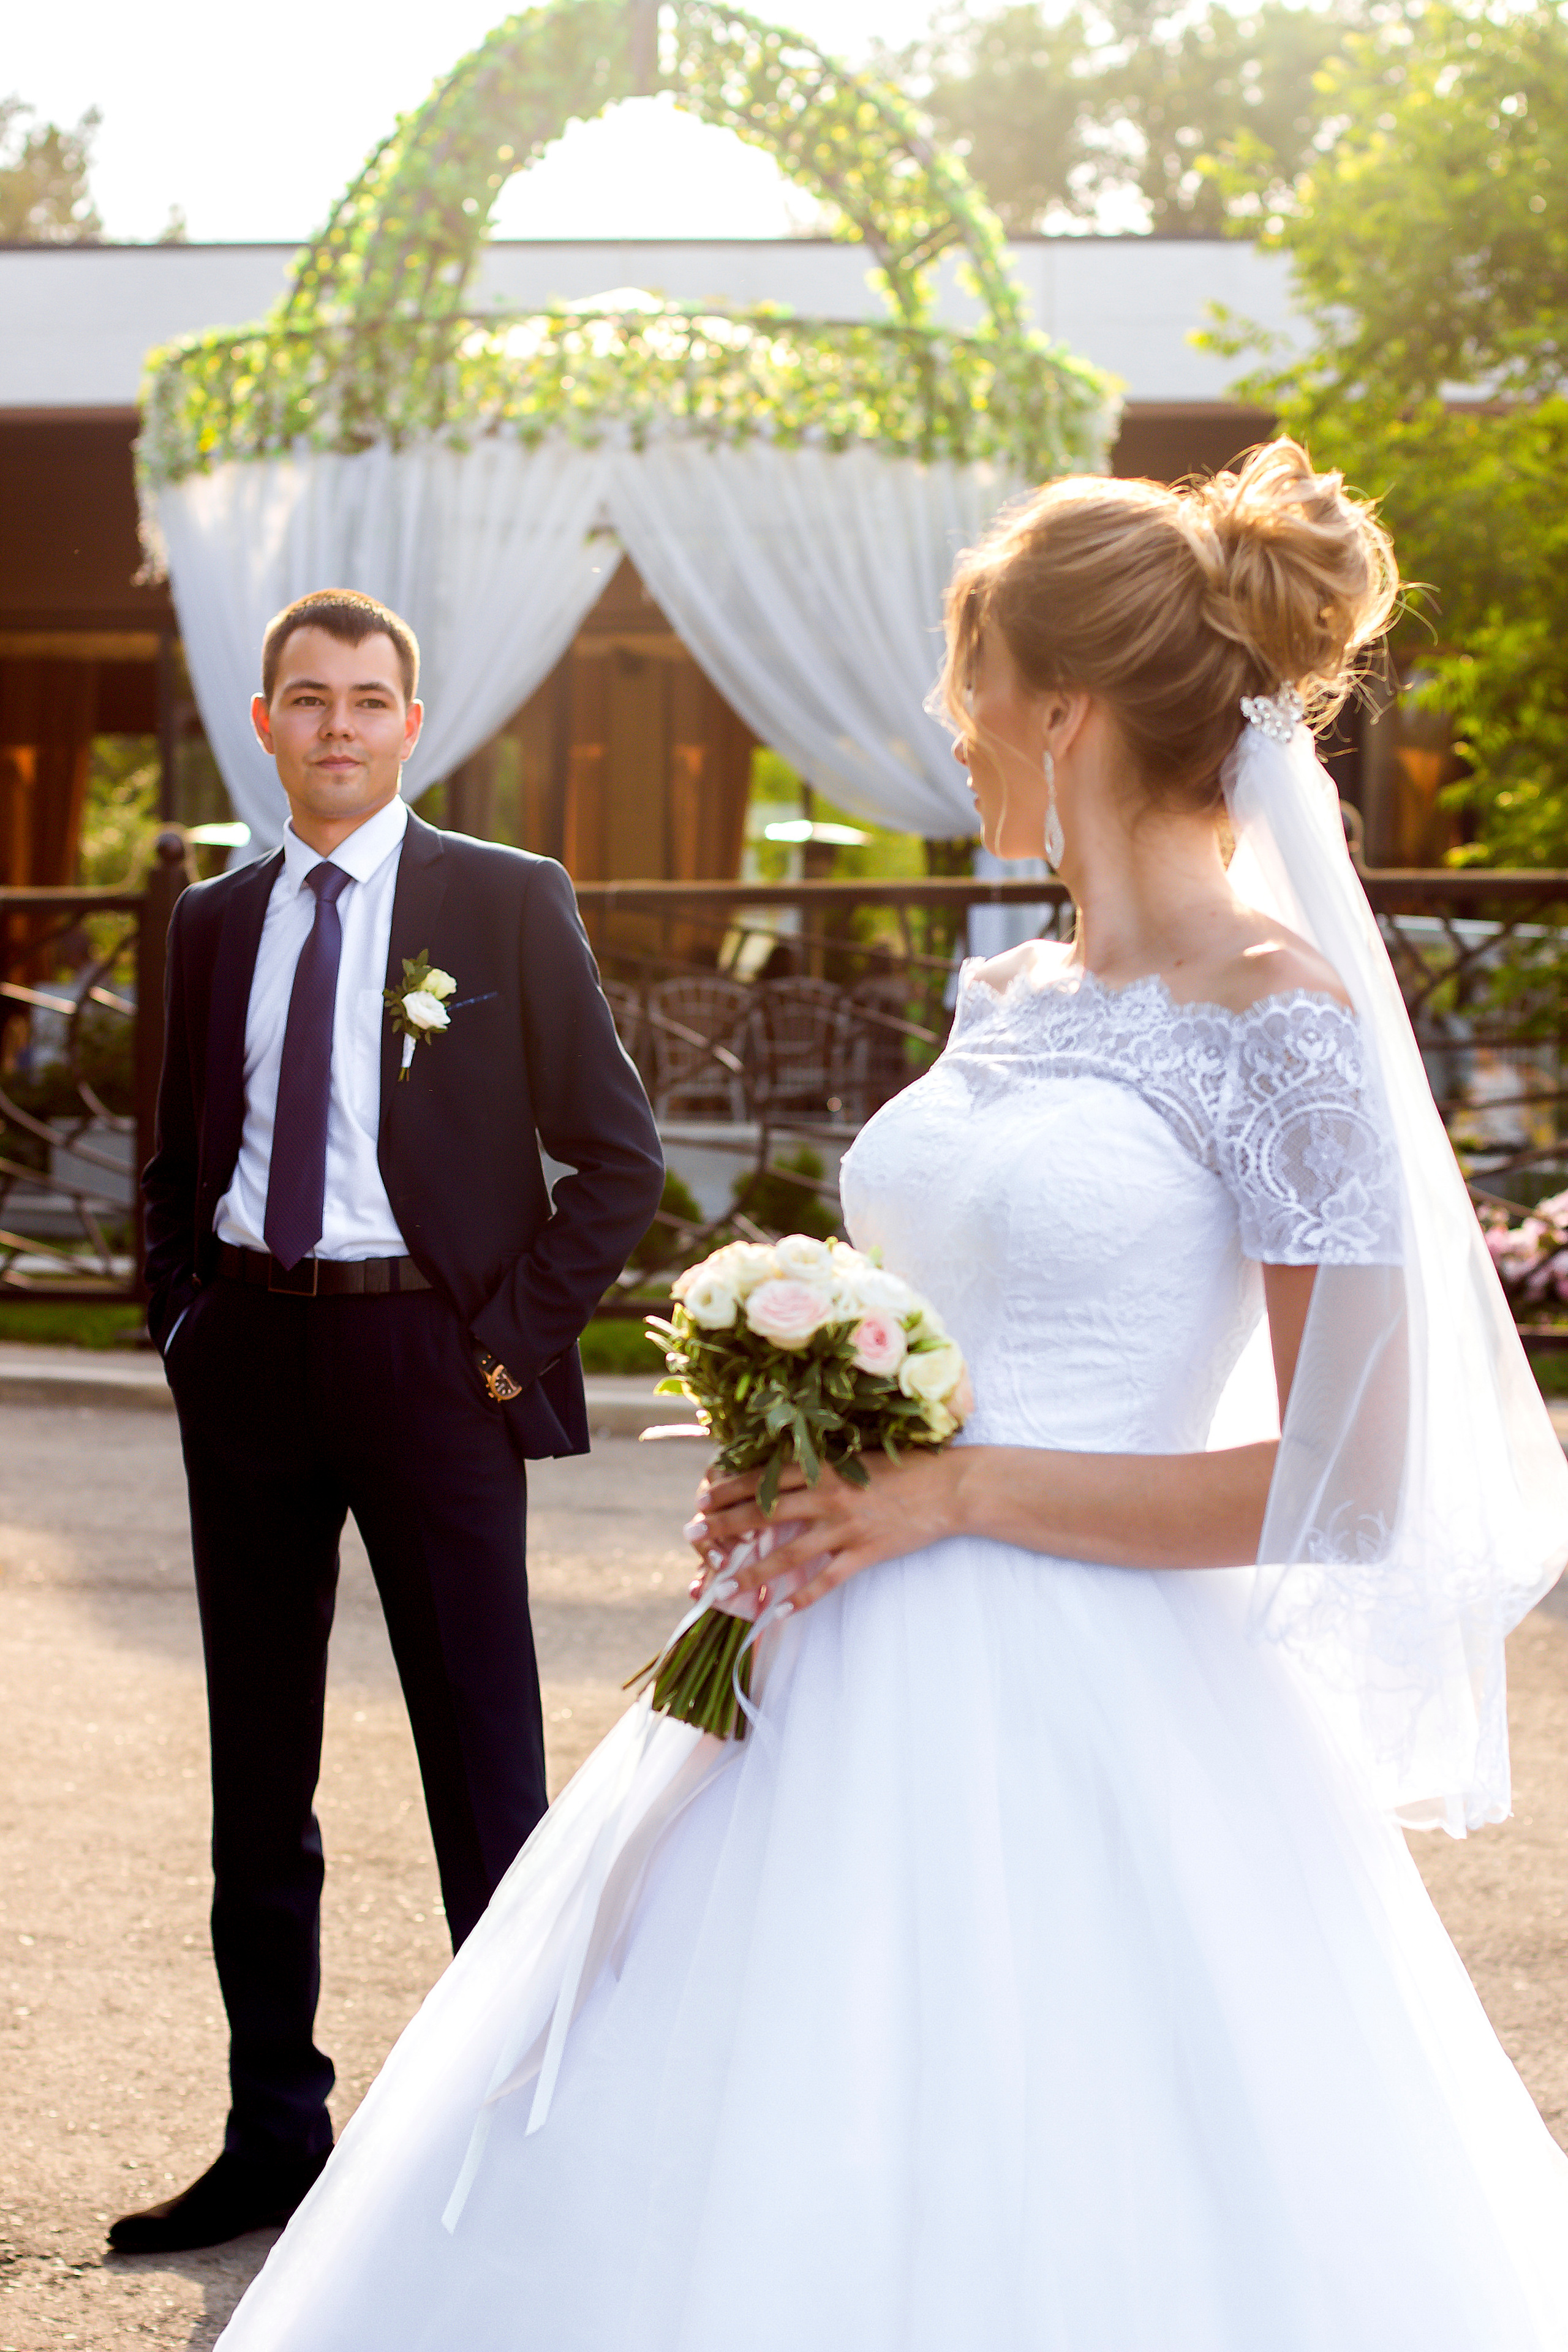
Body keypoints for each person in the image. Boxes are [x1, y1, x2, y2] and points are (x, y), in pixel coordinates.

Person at [216, 450, 1568, 2349]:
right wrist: (803, 1455)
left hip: (1095, 1707)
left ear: (1064, 708)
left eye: (970, 677)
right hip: (820, 1644)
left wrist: (953, 1493)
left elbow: (1357, 1480)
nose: (954, 724)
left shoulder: (1279, 1019)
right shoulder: (1006, 991)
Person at [115, 589, 663, 2256]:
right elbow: (175, 1155)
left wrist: (504, 1345)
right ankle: (272, 2129)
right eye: (309, 698)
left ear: (413, 726)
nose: (339, 724)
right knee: (256, 1776)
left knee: (482, 1772)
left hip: (437, 1371)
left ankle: (522, 2149)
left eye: (369, 699)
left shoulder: (499, 904)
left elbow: (616, 1152)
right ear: (265, 722)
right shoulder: (212, 920)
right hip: (256, 1372)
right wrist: (186, 1323)